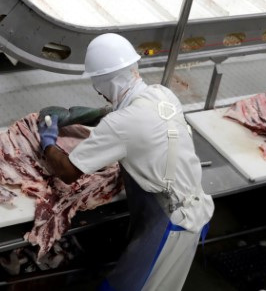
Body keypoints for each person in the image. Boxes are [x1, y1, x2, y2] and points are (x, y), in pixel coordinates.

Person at [37, 33, 213, 290]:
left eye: (98, 87)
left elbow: (67, 171)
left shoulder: (121, 124)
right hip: (194, 209)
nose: (100, 94)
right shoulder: (161, 94)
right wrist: (76, 116)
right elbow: (121, 115)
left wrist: (47, 141)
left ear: (103, 83)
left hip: (171, 225)